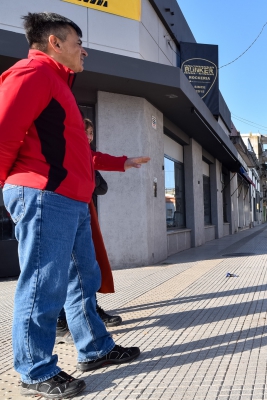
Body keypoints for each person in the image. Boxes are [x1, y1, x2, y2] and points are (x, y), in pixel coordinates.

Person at [0, 13, 140, 398]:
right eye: (79, 44)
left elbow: (77, 153)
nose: (85, 52)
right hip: (45, 195)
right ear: (54, 43)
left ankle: (95, 349)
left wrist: (118, 163)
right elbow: (2, 133)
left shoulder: (58, 84)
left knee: (83, 281)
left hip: (71, 200)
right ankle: (34, 369)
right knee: (44, 284)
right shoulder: (31, 74)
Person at [56, 119, 149, 344]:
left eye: (91, 132)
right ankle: (63, 325)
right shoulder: (60, 144)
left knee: (84, 268)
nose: (88, 136)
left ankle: (88, 324)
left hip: (81, 211)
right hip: (62, 210)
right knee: (62, 270)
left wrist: (123, 162)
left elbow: (95, 159)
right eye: (84, 131)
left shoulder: (80, 151)